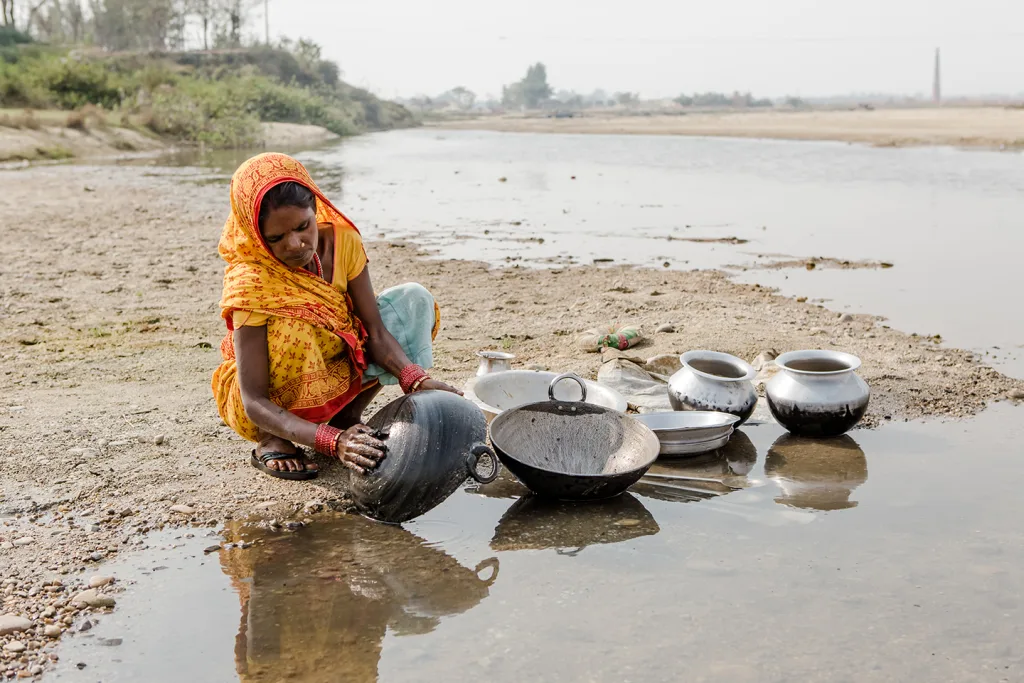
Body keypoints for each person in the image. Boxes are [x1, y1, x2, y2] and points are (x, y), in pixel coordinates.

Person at [212, 153, 460, 480]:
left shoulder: (344, 242)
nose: (296, 244)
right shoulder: (252, 282)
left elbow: (375, 331)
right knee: (294, 328)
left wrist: (416, 380)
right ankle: (275, 438)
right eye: (276, 238)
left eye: (303, 227)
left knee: (413, 301)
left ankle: (346, 414)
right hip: (266, 402)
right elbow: (254, 400)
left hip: (337, 360)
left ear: (316, 210)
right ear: (257, 236)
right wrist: (332, 443)